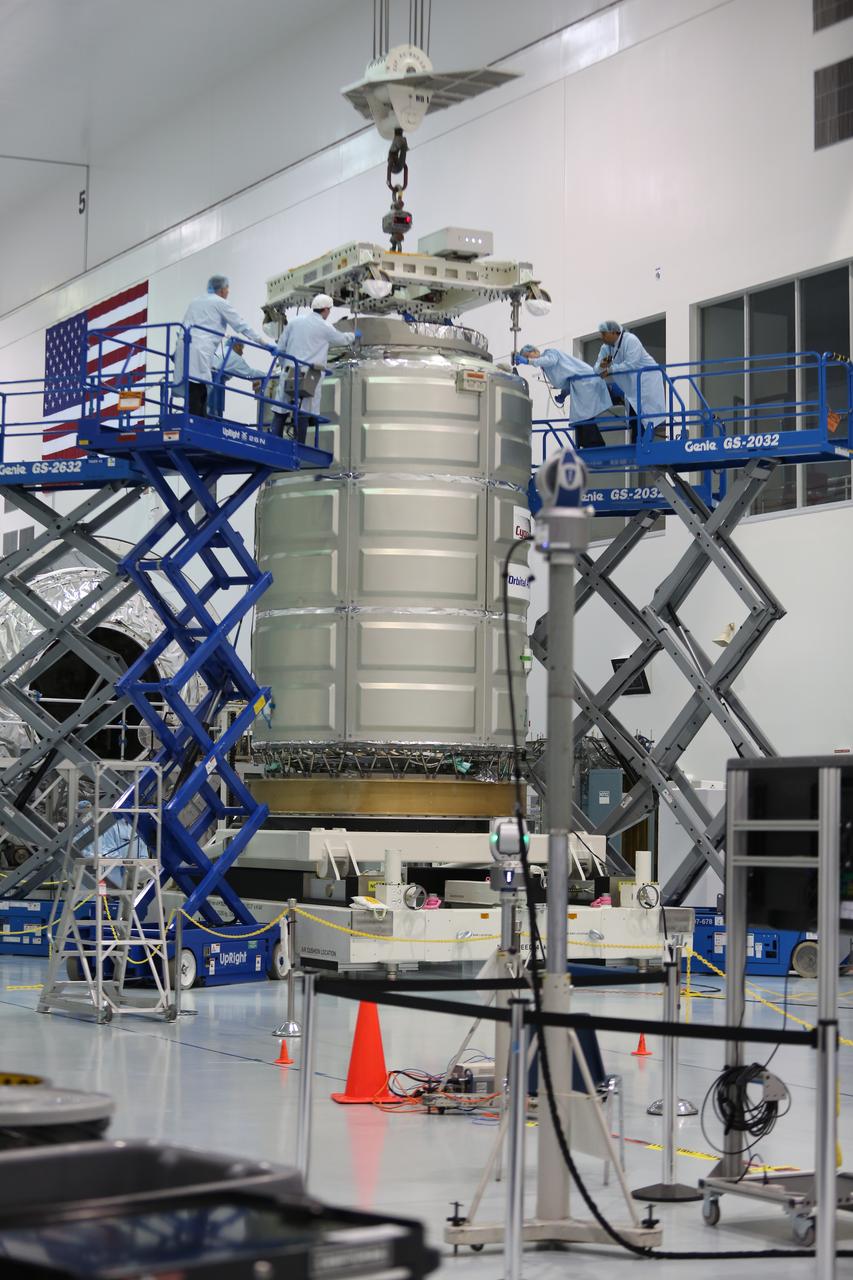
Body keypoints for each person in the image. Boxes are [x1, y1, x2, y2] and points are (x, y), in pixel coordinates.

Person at [174, 276, 271, 417]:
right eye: (227, 288)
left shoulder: (195, 302)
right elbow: (241, 326)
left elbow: (183, 326)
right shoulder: (221, 303)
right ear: (222, 289)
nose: (228, 292)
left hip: (184, 346)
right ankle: (196, 420)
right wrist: (265, 344)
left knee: (194, 388)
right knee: (199, 389)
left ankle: (195, 418)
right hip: (199, 349)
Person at [272, 294, 361, 441]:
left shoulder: (294, 322)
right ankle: (299, 447)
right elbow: (341, 339)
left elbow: (280, 348)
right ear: (325, 310)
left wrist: (285, 367)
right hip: (309, 376)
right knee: (304, 411)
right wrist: (354, 335)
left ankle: (273, 442)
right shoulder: (325, 326)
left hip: (289, 372)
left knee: (280, 408)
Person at [516, 345, 613, 447]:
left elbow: (551, 361)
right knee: (579, 418)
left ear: (535, 351)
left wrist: (528, 362)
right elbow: (568, 378)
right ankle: (585, 444)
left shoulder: (550, 352)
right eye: (526, 358)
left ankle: (595, 445)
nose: (528, 359)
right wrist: (564, 394)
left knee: (584, 416)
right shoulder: (545, 366)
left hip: (586, 381)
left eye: (528, 355)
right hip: (580, 384)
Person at [594, 321, 668, 438]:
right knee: (635, 420)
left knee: (647, 418)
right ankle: (638, 446)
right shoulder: (606, 348)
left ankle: (642, 446)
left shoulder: (630, 340)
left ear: (614, 332)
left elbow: (631, 364)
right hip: (631, 387)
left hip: (646, 382)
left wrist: (610, 370)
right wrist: (602, 366)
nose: (601, 337)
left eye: (604, 334)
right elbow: (596, 370)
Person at [208, 340, 269, 420]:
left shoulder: (221, 351)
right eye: (242, 349)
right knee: (215, 410)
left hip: (207, 376)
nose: (242, 353)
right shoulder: (234, 356)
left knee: (208, 407)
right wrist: (269, 375)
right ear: (237, 346)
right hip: (216, 380)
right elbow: (250, 373)